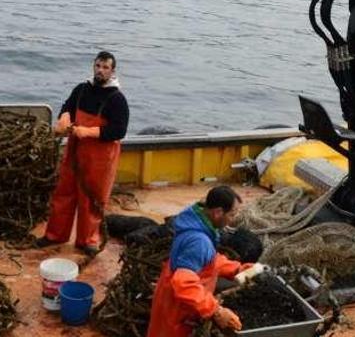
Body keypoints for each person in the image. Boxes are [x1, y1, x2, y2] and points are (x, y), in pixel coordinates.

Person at [35, 51, 129, 257]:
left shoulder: (117, 99)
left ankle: (87, 240)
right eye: (98, 66)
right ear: (93, 66)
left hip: (100, 158)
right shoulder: (81, 89)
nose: (100, 70)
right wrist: (64, 119)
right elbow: (67, 107)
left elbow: (119, 130)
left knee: (92, 200)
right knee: (63, 193)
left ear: (112, 71)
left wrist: (89, 132)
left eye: (105, 68)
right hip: (75, 151)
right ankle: (54, 235)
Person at [147, 186, 253, 337]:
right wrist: (216, 311)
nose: (233, 219)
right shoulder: (198, 241)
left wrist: (238, 269)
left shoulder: (197, 222)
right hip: (178, 311)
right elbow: (183, 282)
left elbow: (209, 259)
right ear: (217, 213)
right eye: (232, 214)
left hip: (169, 297)